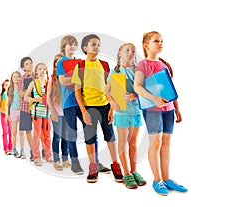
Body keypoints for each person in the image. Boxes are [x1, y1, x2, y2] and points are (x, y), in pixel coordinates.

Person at [133, 31, 188, 195]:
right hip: (152, 110)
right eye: (156, 41)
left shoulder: (164, 65)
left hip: (168, 110)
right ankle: (157, 180)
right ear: (146, 45)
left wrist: (177, 108)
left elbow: (170, 88)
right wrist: (154, 98)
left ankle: (166, 178)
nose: (160, 43)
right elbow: (137, 87)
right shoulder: (142, 64)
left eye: (162, 41)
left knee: (165, 144)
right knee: (155, 144)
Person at [71, 34, 123, 183]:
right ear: (85, 48)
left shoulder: (105, 65)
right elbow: (76, 91)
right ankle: (93, 166)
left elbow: (111, 89)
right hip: (89, 107)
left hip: (105, 106)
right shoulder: (80, 66)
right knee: (90, 138)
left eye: (98, 44)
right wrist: (83, 111)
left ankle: (115, 165)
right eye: (93, 44)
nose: (97, 47)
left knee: (110, 137)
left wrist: (112, 108)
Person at [57, 35, 110, 175]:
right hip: (69, 102)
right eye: (70, 45)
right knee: (72, 133)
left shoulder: (80, 62)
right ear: (64, 47)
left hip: (84, 102)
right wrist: (81, 80)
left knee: (90, 132)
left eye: (75, 45)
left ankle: (96, 162)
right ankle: (75, 163)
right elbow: (62, 81)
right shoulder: (61, 61)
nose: (73, 47)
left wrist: (83, 80)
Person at [105, 43, 146, 189]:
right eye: (127, 50)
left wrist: (135, 95)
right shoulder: (115, 71)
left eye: (133, 51)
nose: (130, 53)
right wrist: (112, 103)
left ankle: (134, 171)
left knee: (133, 141)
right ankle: (126, 173)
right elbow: (107, 91)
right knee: (122, 141)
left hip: (135, 110)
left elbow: (144, 91)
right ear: (119, 53)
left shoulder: (138, 71)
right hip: (122, 111)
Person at [25, 63, 52, 166]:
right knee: (36, 135)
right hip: (36, 113)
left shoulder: (48, 83)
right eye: (40, 69)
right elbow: (26, 97)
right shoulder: (33, 83)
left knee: (47, 135)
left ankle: (48, 155)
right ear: (36, 71)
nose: (42, 70)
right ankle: (36, 157)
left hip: (47, 113)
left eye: (44, 69)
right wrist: (35, 99)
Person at [48, 54, 70, 170]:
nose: (58, 64)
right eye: (56, 62)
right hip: (56, 112)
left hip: (66, 112)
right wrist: (53, 112)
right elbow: (48, 97)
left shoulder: (67, 77)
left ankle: (65, 158)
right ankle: (57, 160)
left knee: (66, 136)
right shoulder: (52, 78)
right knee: (57, 136)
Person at [18, 57, 35, 161]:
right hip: (25, 107)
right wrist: (30, 89)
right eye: (27, 64)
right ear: (23, 68)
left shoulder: (37, 75)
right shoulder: (22, 79)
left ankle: (40, 151)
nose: (30, 65)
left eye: (30, 63)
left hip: (37, 106)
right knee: (28, 130)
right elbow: (21, 94)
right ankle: (33, 151)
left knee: (39, 130)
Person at [5, 71, 25, 158]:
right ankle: (14, 149)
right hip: (13, 111)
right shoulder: (10, 89)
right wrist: (7, 114)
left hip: (22, 111)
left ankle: (22, 150)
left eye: (18, 77)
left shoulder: (23, 88)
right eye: (14, 77)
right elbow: (7, 103)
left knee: (21, 132)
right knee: (14, 132)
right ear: (12, 79)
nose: (16, 78)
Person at [0, 79, 12, 155]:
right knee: (5, 132)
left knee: (11, 132)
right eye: (6, 85)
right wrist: (5, 112)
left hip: (11, 115)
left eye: (8, 85)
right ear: (3, 86)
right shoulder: (1, 95)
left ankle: (11, 148)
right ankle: (6, 148)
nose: (7, 87)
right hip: (3, 115)